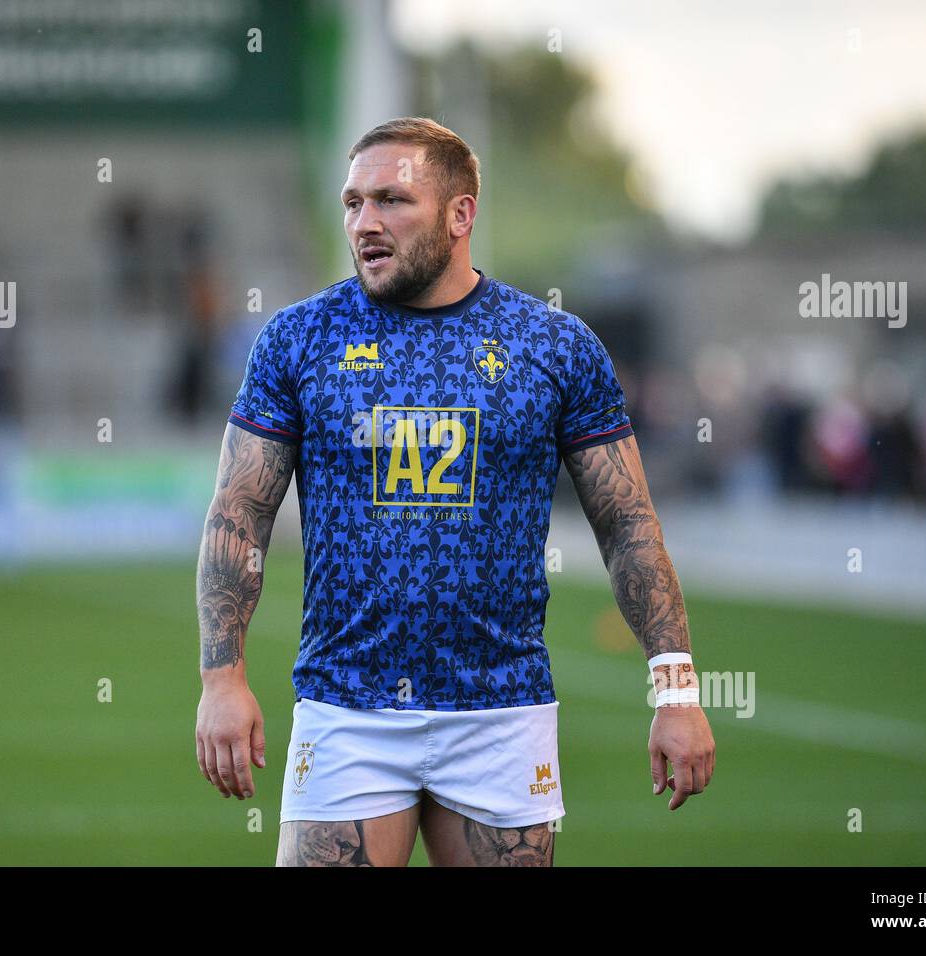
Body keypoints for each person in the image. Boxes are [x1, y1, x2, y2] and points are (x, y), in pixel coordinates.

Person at [194, 117, 714, 867]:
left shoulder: (555, 347)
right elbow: (238, 515)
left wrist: (675, 692)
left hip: (502, 712)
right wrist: (222, 678)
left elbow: (627, 524)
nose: (365, 223)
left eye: (392, 200)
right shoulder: (297, 340)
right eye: (351, 203)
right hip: (348, 707)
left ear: (460, 214)